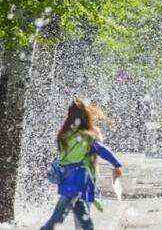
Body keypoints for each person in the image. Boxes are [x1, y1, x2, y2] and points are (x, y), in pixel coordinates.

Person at [41, 98, 123, 230]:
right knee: (74, 219)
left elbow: (63, 157)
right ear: (86, 117)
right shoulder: (86, 138)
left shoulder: (64, 136)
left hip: (67, 181)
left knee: (64, 217)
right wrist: (117, 165)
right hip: (80, 182)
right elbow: (102, 151)